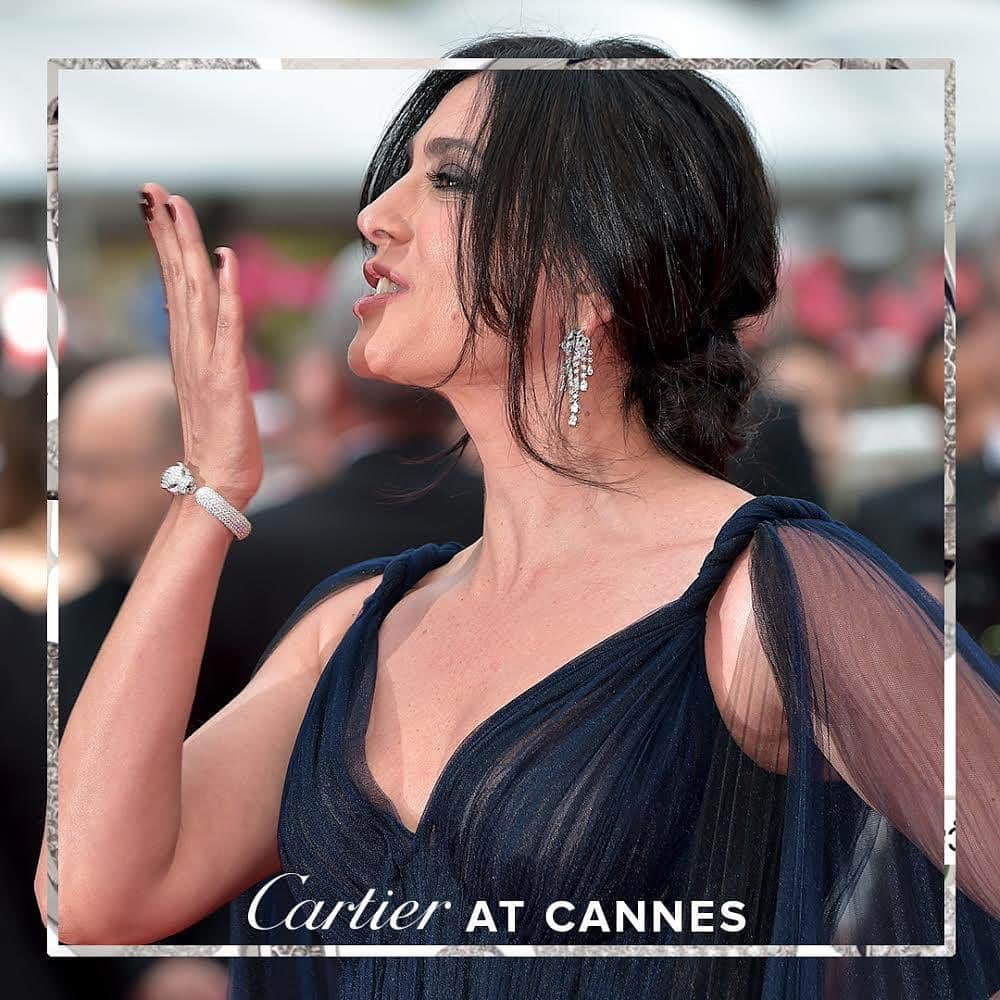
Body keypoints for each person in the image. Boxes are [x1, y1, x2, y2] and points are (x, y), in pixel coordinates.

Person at [45, 32, 1000, 1000]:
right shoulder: (357, 623)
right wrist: (207, 490)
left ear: (594, 265)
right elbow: (89, 894)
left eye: (449, 180)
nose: (376, 216)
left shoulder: (769, 595)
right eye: (399, 176)